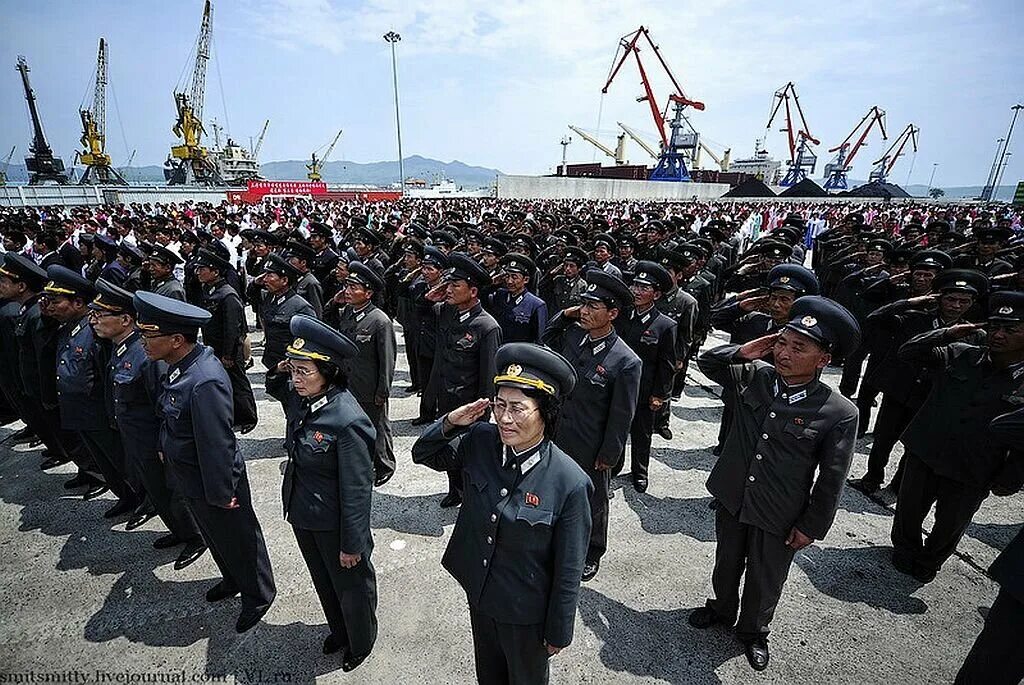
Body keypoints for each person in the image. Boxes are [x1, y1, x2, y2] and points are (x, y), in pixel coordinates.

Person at [692, 296, 861, 672]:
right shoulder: (756, 376)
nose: (784, 353)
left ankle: (753, 631)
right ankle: (721, 608)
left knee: (766, 576)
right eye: (782, 342)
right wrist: (750, 350)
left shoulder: (839, 411)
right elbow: (708, 363)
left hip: (780, 509)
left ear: (823, 360)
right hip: (734, 496)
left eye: (798, 347)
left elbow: (832, 478)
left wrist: (811, 526)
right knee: (727, 561)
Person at [412, 342, 593, 685]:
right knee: (489, 675)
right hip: (480, 593)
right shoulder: (481, 440)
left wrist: (558, 630)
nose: (505, 418)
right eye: (500, 405)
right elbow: (423, 453)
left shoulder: (569, 482)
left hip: (525, 613)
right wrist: (451, 421)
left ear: (546, 413)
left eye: (518, 408)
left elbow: (568, 568)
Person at [134, 290, 276, 633]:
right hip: (190, 474)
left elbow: (218, 445)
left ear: (177, 340)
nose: (143, 342)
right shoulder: (178, 367)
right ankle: (232, 579)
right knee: (216, 536)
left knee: (239, 538)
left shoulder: (204, 379)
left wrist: (222, 490)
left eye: (149, 336)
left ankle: (257, 594)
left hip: (212, 479)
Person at [890, 290, 1024, 583]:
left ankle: (930, 561)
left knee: (951, 521)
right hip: (927, 450)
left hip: (975, 466)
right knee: (910, 507)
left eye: (1010, 330)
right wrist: (946, 333)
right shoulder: (961, 353)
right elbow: (907, 352)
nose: (998, 335)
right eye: (994, 327)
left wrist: (1011, 478)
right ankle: (904, 549)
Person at [282, 315, 378, 672]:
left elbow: (357, 490)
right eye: (293, 370)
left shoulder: (347, 419)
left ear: (329, 371)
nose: (295, 379)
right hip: (305, 514)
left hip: (336, 524)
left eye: (304, 371)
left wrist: (352, 543)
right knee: (323, 581)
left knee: (352, 588)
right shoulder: (306, 399)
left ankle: (360, 640)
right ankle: (339, 629)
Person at [88, 279, 207, 567]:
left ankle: (195, 536)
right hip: (136, 437)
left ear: (125, 319)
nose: (95, 321)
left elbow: (163, 405)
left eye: (102, 315)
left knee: (172, 491)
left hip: (154, 440)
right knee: (156, 489)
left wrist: (162, 444)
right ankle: (178, 530)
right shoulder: (122, 348)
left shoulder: (147, 356)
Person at [848, 268, 987, 494]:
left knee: (914, 444)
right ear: (939, 298)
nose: (956, 305)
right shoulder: (916, 318)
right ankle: (872, 478)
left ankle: (898, 486)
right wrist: (909, 302)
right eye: (951, 299)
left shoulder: (974, 334)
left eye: (964, 301)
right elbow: (874, 318)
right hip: (900, 388)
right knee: (884, 438)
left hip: (932, 397)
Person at [543, 270, 641, 581]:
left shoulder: (626, 361)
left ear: (613, 314)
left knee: (593, 499)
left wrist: (609, 454)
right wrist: (566, 312)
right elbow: (547, 337)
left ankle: (592, 551)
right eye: (583, 304)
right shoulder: (574, 335)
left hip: (591, 443)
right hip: (558, 433)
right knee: (555, 488)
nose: (584, 311)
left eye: (593, 306)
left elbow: (622, 415)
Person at [46, 265, 140, 518]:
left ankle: (145, 501)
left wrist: (111, 413)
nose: (50, 306)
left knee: (121, 461)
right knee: (105, 463)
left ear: (78, 303)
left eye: (56, 301)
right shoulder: (69, 327)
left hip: (98, 410)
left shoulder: (95, 334)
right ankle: (125, 496)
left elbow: (107, 374)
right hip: (81, 412)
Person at [427, 253, 502, 508]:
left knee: (470, 454)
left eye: (454, 286)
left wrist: (482, 410)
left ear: (473, 291)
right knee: (448, 447)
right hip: (446, 397)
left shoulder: (486, 326)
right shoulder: (448, 313)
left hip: (469, 404)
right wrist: (441, 288)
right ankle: (455, 490)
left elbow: (489, 375)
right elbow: (423, 301)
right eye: (447, 285)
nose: (448, 290)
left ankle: (472, 495)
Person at [614, 261, 677, 492]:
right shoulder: (623, 316)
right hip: (619, 386)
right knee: (617, 428)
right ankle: (615, 465)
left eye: (644, 288)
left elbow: (667, 364)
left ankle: (640, 472)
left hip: (645, 390)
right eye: (635, 286)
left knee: (642, 434)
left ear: (657, 294)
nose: (637, 291)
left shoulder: (665, 325)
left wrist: (660, 395)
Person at [335, 262, 398, 487]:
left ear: (368, 292)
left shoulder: (379, 321)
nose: (348, 291)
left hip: (371, 386)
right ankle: (364, 460)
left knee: (378, 426)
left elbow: (387, 360)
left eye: (354, 288)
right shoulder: (348, 313)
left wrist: (383, 390)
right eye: (347, 286)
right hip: (351, 383)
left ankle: (385, 465)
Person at [195, 248, 258, 432]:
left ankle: (248, 417)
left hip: (228, 349)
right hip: (213, 346)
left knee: (238, 383)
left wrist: (229, 354)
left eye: (202, 269)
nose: (199, 272)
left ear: (215, 271)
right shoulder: (209, 289)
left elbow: (233, 328)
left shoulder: (227, 294)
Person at [258, 253, 315, 416]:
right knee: (288, 407)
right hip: (276, 363)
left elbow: (310, 341)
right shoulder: (272, 299)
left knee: (298, 409)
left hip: (293, 367)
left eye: (270, 275)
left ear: (284, 280)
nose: (266, 279)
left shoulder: (300, 306)